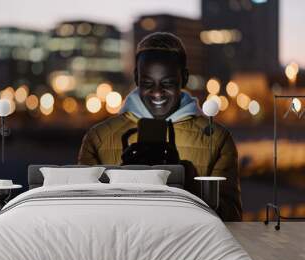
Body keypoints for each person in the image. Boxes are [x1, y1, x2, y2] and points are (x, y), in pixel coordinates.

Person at [78, 32, 242, 221]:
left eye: (167, 83)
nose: (157, 93)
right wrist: (124, 182)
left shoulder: (218, 140)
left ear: (185, 78)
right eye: (148, 83)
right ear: (136, 78)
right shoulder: (98, 138)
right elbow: (85, 215)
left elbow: (232, 219)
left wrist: (187, 183)